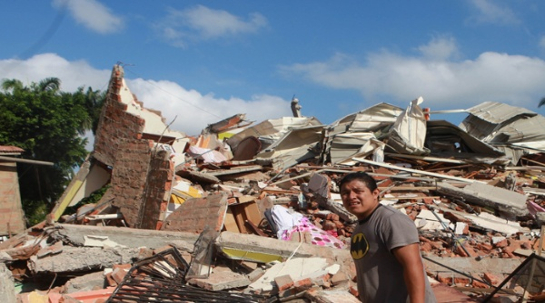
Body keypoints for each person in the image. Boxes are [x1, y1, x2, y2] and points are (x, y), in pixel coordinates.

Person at [339, 172, 437, 303]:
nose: (351, 197)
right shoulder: (360, 227)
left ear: (375, 193)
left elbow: (413, 265)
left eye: (358, 191)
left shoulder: (391, 220)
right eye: (345, 193)